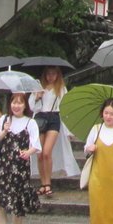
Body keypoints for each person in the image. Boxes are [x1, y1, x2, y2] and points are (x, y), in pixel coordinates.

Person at [0, 92, 41, 224]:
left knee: (18, 204)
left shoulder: (31, 122)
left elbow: (36, 145)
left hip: (21, 168)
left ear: (25, 105)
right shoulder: (4, 119)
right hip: (3, 167)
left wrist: (28, 152)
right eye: (14, 102)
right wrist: (4, 131)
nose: (16, 106)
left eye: (20, 103)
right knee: (0, 203)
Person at [30, 66, 67, 198]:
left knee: (46, 152)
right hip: (40, 118)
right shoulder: (39, 87)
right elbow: (32, 107)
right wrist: (37, 97)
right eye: (48, 74)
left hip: (54, 118)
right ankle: (43, 183)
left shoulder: (61, 89)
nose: (51, 77)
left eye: (53, 74)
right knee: (39, 153)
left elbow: (65, 108)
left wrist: (68, 131)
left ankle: (48, 183)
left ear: (58, 75)